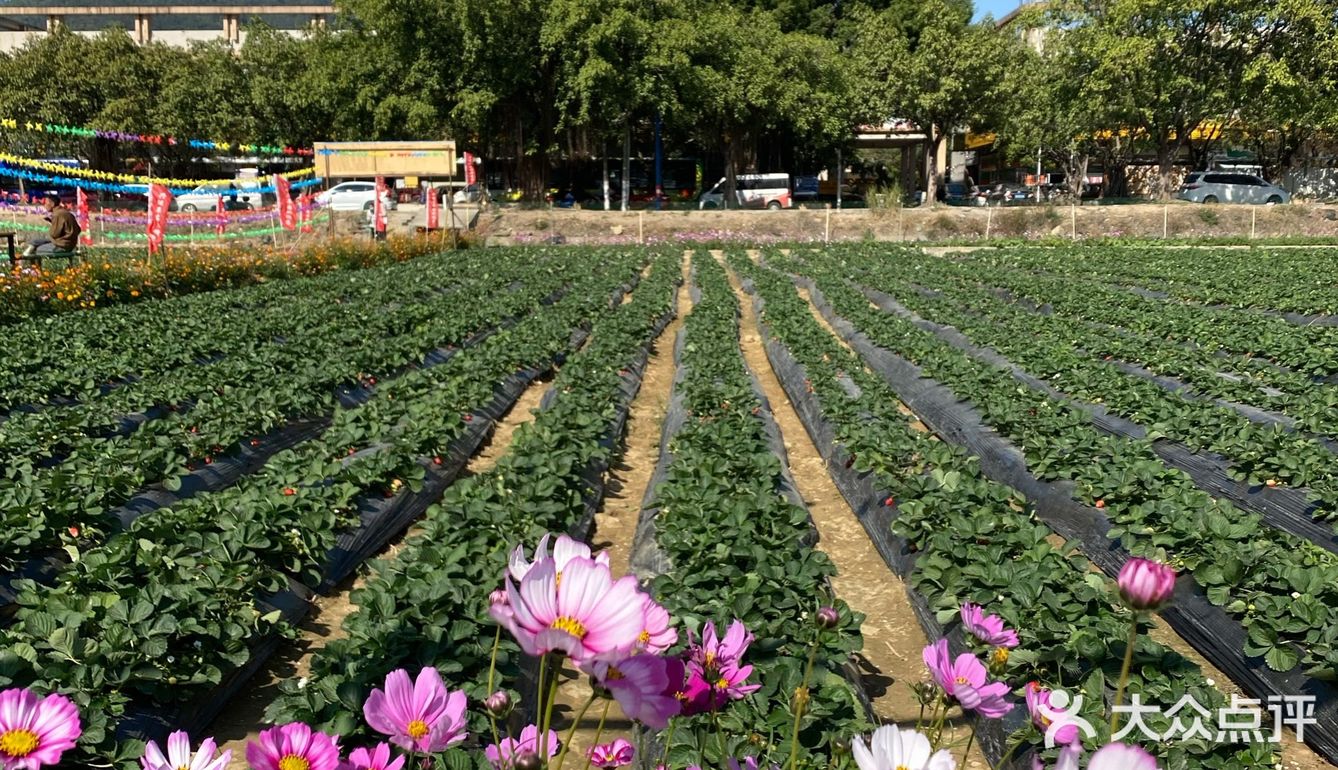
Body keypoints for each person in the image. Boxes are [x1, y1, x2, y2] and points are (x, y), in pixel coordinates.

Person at [23, 192, 80, 256]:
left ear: (52, 204)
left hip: (62, 246)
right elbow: (78, 229)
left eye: (45, 203)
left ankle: (32, 265)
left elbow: (54, 234)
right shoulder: (67, 213)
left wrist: (53, 224)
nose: (44, 205)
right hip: (69, 244)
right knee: (34, 241)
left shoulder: (57, 214)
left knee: (35, 249)